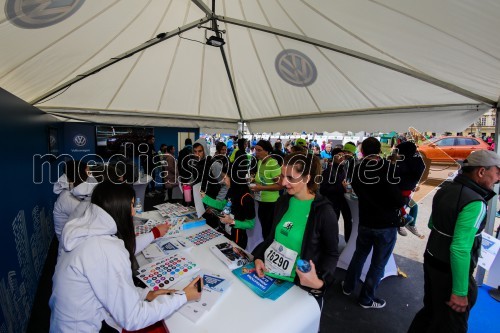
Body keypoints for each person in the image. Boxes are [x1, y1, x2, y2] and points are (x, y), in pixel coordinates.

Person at [50, 181, 202, 332]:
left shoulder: (85, 231)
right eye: (131, 205)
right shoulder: (104, 249)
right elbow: (133, 318)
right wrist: (183, 296)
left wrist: (146, 293)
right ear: (119, 208)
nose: (134, 212)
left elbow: (111, 288)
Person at [408, 150, 500, 333]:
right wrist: (460, 291)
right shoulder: (476, 202)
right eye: (497, 173)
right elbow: (459, 248)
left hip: (432, 261)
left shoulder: (445, 189)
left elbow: (431, 223)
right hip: (451, 272)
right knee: (451, 325)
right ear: (481, 172)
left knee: (430, 312)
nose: (498, 179)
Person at [253, 153, 339, 308]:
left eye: (291, 178)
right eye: (283, 176)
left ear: (307, 178)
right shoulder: (283, 201)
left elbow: (331, 252)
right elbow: (272, 237)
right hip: (269, 277)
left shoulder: (324, 212)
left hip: (298, 287)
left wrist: (320, 282)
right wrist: (259, 257)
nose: (284, 182)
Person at [342, 137, 405, 309]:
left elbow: (356, 189)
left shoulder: (357, 168)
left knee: (359, 255)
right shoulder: (387, 168)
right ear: (379, 150)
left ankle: (348, 287)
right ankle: (366, 299)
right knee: (378, 264)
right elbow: (397, 198)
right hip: (385, 223)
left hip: (366, 221)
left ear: (362, 151)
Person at [201, 173, 255, 249]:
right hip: (226, 232)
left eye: (225, 178)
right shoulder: (231, 190)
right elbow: (223, 205)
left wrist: (231, 221)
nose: (223, 181)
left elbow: (250, 224)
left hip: (238, 238)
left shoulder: (247, 198)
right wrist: (205, 197)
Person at [53, 160, 97, 243]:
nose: (90, 176)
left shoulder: (76, 190)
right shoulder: (67, 198)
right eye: (88, 172)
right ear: (80, 174)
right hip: (69, 243)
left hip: (77, 236)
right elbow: (90, 218)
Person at [249, 140, 283, 241]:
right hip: (261, 201)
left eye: (259, 150)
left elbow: (280, 186)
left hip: (271, 203)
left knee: (268, 231)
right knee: (264, 228)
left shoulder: (272, 164)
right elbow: (263, 179)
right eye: (255, 150)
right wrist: (254, 180)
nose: (256, 152)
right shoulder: (260, 161)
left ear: (267, 151)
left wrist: (261, 188)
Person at [392, 141, 426, 238]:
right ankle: (402, 223)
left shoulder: (402, 162)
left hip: (402, 191)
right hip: (401, 192)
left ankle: (406, 223)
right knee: (405, 207)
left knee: (411, 207)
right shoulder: (417, 162)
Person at [320, 148, 352, 242]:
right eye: (339, 155)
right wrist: (341, 187)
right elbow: (323, 189)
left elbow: (344, 183)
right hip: (332, 203)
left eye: (343, 156)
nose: (342, 158)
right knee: (332, 225)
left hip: (343, 201)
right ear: (333, 157)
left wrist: (347, 188)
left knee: (348, 221)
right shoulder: (328, 171)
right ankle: (330, 245)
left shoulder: (344, 169)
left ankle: (348, 242)